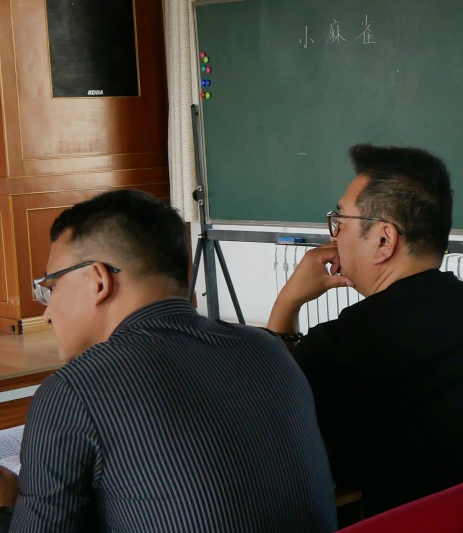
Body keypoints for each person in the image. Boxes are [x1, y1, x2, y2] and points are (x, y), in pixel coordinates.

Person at [0, 190, 337, 533]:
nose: (48, 312)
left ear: (99, 280)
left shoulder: (75, 390)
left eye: (51, 287)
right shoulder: (267, 349)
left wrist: (15, 501)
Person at [267, 144, 463, 515]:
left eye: (340, 222)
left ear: (384, 240)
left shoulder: (341, 344)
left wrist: (287, 302)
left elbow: (269, 427)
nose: (333, 236)